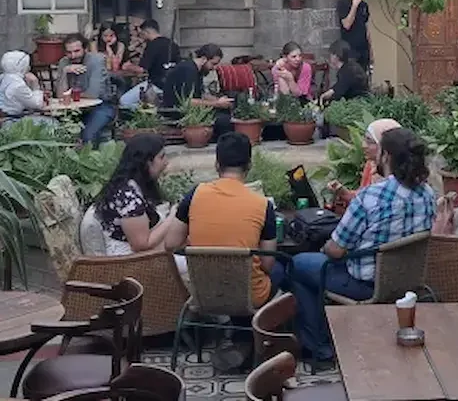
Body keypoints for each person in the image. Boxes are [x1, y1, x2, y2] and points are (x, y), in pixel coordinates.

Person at [290, 127, 436, 361]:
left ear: (386, 156)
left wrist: (326, 247)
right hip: (408, 279)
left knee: (297, 265)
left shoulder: (371, 196)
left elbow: (336, 251)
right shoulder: (427, 193)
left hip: (364, 283)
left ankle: (318, 346)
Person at [166, 131, 285, 368]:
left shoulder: (194, 195)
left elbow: (171, 244)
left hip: (205, 293)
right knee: (282, 269)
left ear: (217, 164)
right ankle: (263, 343)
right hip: (248, 295)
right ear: (249, 165)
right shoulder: (262, 205)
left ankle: (241, 341)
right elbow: (267, 265)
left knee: (241, 277)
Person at [92, 133, 179, 257]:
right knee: (196, 264)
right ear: (147, 162)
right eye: (161, 157)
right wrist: (173, 217)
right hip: (132, 262)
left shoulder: (134, 185)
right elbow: (141, 245)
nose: (166, 162)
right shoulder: (128, 198)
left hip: (146, 254)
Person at [162, 44, 233, 138]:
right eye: (213, 63)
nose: (214, 68)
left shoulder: (197, 70)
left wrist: (219, 100)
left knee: (225, 112)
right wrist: (217, 103)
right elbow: (188, 101)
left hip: (188, 108)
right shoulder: (189, 70)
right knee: (223, 120)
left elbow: (200, 94)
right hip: (178, 110)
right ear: (204, 59)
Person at [57, 34, 115, 147]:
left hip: (101, 106)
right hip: (73, 108)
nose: (73, 56)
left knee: (88, 135)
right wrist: (64, 73)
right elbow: (60, 95)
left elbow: (93, 94)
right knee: (59, 133)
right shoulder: (64, 63)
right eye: (69, 52)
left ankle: (91, 161)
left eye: (77, 51)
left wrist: (70, 96)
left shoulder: (96, 61)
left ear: (85, 49)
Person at [329, 118, 399, 206]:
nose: (363, 145)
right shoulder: (371, 165)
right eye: (365, 139)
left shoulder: (402, 176)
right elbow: (362, 198)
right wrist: (343, 192)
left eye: (370, 141)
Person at [120, 20, 180, 109]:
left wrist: (128, 66)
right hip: (172, 85)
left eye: (142, 34)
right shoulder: (174, 45)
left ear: (146, 32)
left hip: (156, 85)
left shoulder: (152, 45)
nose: (141, 37)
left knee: (125, 101)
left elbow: (141, 69)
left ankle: (151, 111)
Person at [319, 40, 368, 106]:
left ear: (335, 56)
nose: (330, 57)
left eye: (331, 54)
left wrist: (323, 99)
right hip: (361, 101)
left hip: (358, 104)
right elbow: (338, 86)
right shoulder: (351, 66)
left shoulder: (347, 71)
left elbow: (338, 91)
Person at [336, 0, 371, 71]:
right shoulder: (343, 4)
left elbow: (366, 28)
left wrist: (371, 51)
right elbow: (347, 25)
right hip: (350, 50)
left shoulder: (364, 5)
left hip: (363, 50)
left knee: (363, 79)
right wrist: (354, 6)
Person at [0, 51, 44, 117]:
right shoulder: (17, 85)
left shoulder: (4, 77)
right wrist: (35, 85)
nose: (29, 67)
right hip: (11, 118)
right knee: (52, 122)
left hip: (7, 115)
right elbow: (37, 104)